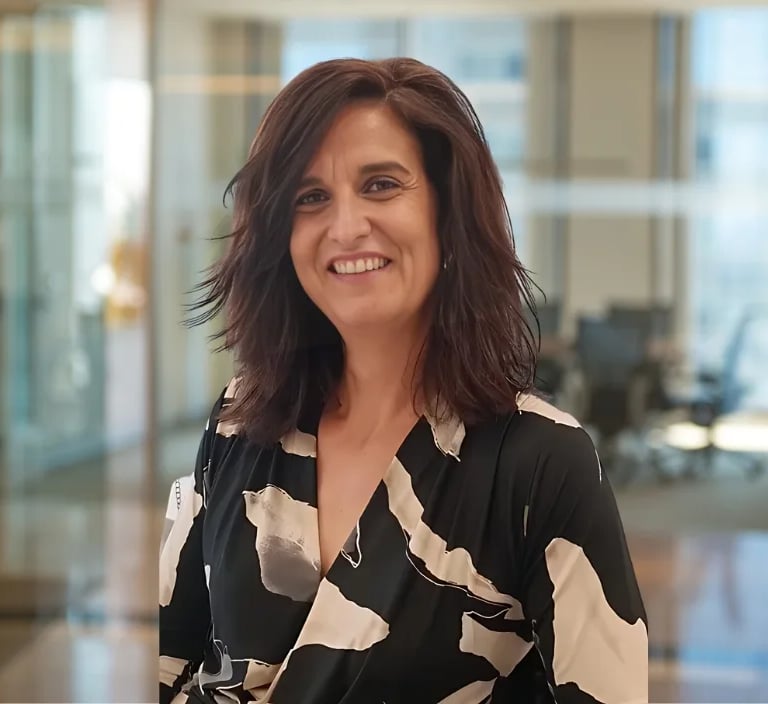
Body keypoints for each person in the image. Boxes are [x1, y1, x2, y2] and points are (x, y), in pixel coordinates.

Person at [159, 57, 648, 704]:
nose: (345, 227)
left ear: (448, 211)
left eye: (381, 184)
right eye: (311, 197)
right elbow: (176, 664)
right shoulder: (238, 423)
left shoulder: (541, 462)